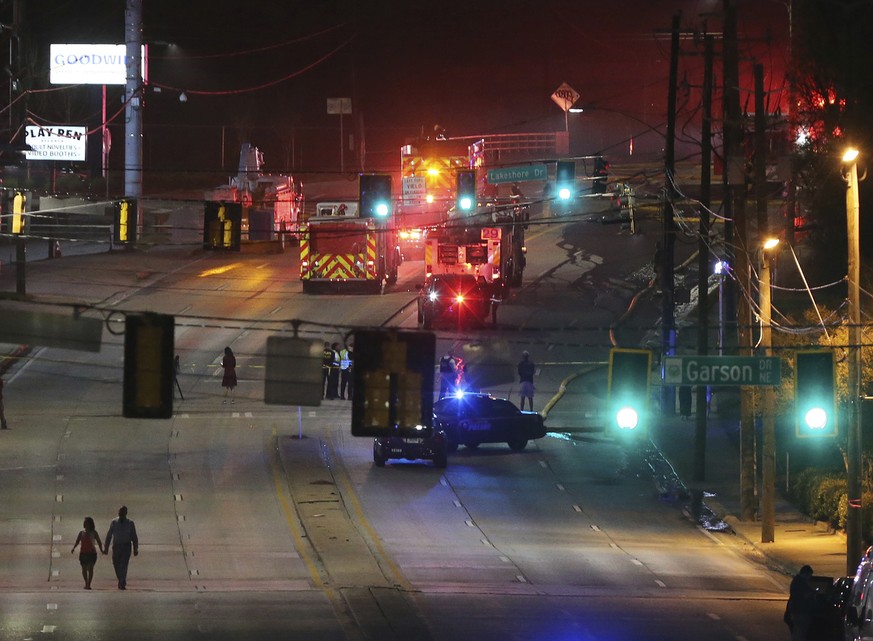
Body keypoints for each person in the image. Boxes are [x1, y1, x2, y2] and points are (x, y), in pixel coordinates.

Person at [104, 506, 138, 590]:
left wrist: (135, 548)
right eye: (119, 511)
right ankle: (121, 578)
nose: (120, 513)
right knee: (116, 563)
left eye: (122, 512)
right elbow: (109, 535)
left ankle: (122, 581)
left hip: (126, 545)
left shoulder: (130, 523)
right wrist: (106, 547)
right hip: (116, 545)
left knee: (124, 564)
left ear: (126, 513)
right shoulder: (114, 522)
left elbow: (134, 536)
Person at [71, 516, 104, 589]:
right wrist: (73, 548)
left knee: (90, 568)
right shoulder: (81, 533)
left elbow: (99, 541)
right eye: (84, 523)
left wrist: (101, 550)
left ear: (90, 524)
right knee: (84, 569)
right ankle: (86, 582)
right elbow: (77, 541)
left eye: (86, 522)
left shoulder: (94, 532)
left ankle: (89, 584)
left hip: (92, 553)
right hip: (83, 553)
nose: (85, 524)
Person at [787, 564, 816, 641]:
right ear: (805, 574)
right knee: (801, 631)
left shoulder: (797, 580)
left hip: (796, 609)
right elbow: (802, 595)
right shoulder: (800, 582)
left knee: (797, 630)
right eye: (809, 575)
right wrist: (811, 594)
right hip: (800, 610)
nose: (809, 578)